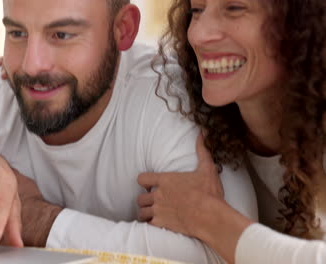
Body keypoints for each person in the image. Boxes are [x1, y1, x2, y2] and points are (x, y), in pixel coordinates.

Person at [0, 0, 257, 263]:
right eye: (17, 33)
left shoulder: (170, 98)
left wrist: (39, 219)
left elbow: (226, 252)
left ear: (123, 30)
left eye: (62, 34)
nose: (32, 65)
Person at [137, 0, 326, 263]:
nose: (200, 35)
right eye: (197, 10)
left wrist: (206, 217)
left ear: (303, 24)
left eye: (235, 8)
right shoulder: (193, 122)